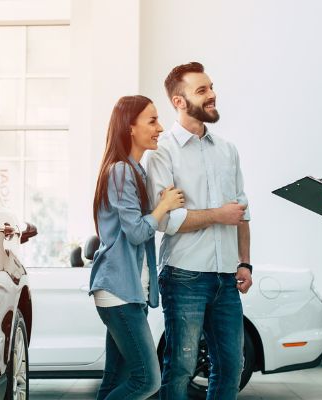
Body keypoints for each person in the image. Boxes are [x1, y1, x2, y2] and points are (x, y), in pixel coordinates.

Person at [146, 62, 252, 400]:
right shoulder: (161, 152)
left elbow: (242, 212)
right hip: (184, 275)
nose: (212, 95)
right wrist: (219, 214)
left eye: (211, 87)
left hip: (226, 276)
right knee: (180, 366)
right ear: (179, 101)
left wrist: (244, 262)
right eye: (202, 90)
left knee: (231, 366)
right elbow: (166, 220)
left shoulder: (227, 150)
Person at [89, 95, 185, 400]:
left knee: (115, 380)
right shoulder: (121, 171)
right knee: (147, 380)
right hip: (118, 291)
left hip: (128, 290)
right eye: (152, 120)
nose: (160, 128)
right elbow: (135, 232)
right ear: (130, 127)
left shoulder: (135, 170)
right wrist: (164, 206)